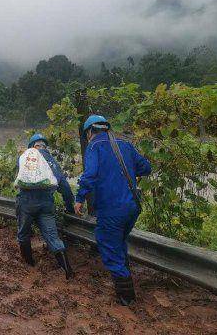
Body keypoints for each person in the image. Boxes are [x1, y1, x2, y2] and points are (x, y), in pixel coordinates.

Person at [74, 115, 152, 305]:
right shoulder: (124, 143)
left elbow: (90, 175)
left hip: (111, 208)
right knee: (119, 243)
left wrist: (79, 198)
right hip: (132, 207)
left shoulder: (94, 146)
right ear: (106, 128)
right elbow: (146, 167)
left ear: (90, 132)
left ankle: (126, 297)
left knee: (108, 245)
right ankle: (126, 282)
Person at [15, 133, 75, 279]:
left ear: (31, 147)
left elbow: (20, 180)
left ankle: (29, 265)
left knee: (24, 233)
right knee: (53, 237)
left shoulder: (25, 158)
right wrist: (70, 207)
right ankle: (67, 270)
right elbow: (64, 187)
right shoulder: (51, 160)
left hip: (26, 202)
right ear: (44, 146)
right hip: (46, 204)